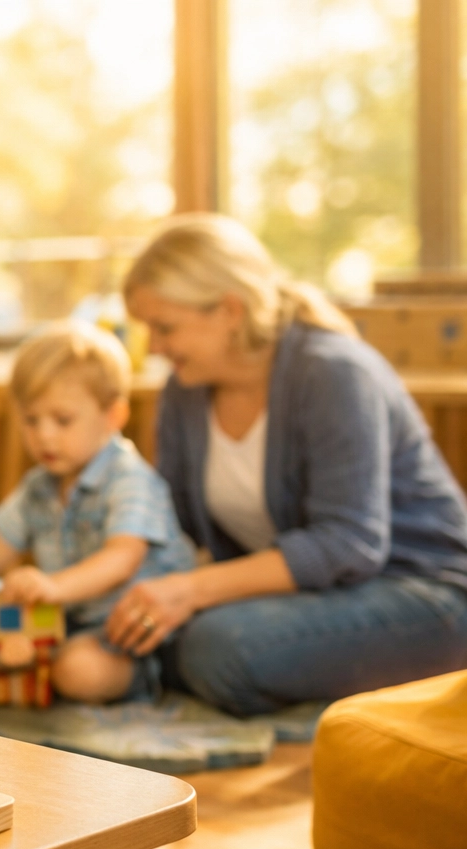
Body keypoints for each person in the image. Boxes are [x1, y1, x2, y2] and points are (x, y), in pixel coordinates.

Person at [105, 213, 467, 716]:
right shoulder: (184, 394)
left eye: (165, 327)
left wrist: (189, 591)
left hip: (423, 595)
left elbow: (349, 544)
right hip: (318, 599)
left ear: (229, 310)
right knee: (121, 630)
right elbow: (173, 528)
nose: (156, 347)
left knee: (220, 646)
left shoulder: (334, 373)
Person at [0, 321, 196, 701]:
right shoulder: (39, 485)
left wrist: (54, 586)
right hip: (64, 620)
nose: (45, 435)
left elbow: (121, 558)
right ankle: (20, 681)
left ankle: (25, 684)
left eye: (62, 420)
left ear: (113, 416)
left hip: (128, 629)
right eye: (31, 420)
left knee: (78, 671)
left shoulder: (129, 478)